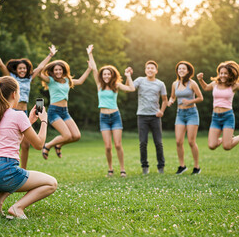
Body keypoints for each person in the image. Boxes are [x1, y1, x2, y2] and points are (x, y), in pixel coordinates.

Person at [0, 76, 57, 220]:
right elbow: (39, 144)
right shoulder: (18, 115)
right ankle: (18, 207)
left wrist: (29, 122)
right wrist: (44, 120)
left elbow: (13, 138)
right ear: (14, 94)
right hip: (5, 173)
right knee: (51, 183)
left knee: (11, 173)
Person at [0, 37, 57, 169]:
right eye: (19, 68)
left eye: (24, 68)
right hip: (12, 112)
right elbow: (1, 65)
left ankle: (22, 169)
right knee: (14, 141)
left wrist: (50, 55)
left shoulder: (29, 78)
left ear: (27, 70)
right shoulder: (11, 79)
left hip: (24, 112)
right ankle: (11, 166)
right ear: (16, 70)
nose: (22, 70)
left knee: (26, 145)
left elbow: (40, 67)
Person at [87, 44, 135, 177]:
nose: (106, 76)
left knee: (118, 145)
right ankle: (110, 169)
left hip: (115, 116)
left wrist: (128, 76)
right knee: (108, 146)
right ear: (101, 76)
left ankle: (122, 169)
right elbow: (94, 68)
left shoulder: (116, 85)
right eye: (104, 74)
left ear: (112, 75)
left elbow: (131, 89)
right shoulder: (99, 85)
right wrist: (90, 53)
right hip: (103, 118)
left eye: (108, 74)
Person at [38, 52, 92, 159]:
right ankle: (47, 145)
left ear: (63, 70)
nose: (58, 71)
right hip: (54, 111)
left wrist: (89, 68)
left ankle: (58, 145)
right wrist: (50, 55)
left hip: (65, 111)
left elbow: (80, 81)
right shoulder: (51, 81)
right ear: (53, 71)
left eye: (60, 69)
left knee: (76, 136)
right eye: (56, 70)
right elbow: (39, 72)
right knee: (67, 135)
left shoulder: (67, 81)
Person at [167, 61, 203, 175]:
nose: (181, 70)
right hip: (180, 114)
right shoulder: (175, 84)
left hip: (192, 113)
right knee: (178, 141)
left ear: (188, 71)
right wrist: (170, 101)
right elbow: (172, 97)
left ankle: (196, 167)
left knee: (191, 142)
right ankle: (182, 166)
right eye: (179, 69)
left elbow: (200, 98)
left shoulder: (192, 83)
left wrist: (190, 101)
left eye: (183, 69)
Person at [133, 60, 168, 174]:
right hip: (142, 116)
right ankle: (144, 167)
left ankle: (161, 167)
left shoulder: (160, 84)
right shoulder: (140, 80)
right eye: (148, 68)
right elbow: (131, 88)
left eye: (152, 68)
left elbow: (165, 100)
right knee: (143, 142)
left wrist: (161, 111)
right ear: (145, 70)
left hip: (155, 117)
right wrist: (128, 75)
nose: (150, 70)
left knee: (158, 142)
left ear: (156, 71)